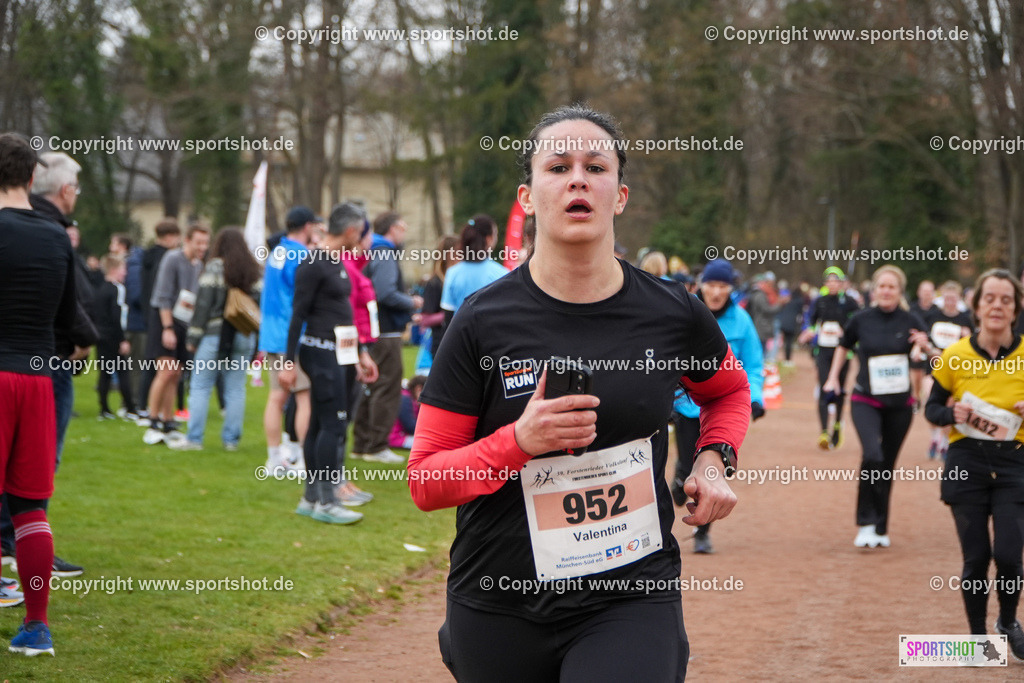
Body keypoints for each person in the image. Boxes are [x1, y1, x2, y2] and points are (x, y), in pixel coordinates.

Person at [408, 105, 750, 681]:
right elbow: (426, 480)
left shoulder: (673, 312)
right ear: (526, 197)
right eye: (558, 166)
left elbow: (729, 394)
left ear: (619, 195)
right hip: (500, 600)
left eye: (596, 166)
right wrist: (518, 441)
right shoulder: (479, 322)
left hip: (629, 596)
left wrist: (714, 459)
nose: (577, 179)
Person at [0, 132, 79, 656]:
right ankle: (36, 628)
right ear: (33, 177)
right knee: (31, 508)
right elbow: (70, 321)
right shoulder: (57, 237)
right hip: (39, 380)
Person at [925, 269, 1024, 658]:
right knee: (977, 557)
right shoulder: (955, 355)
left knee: (1009, 556)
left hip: (1015, 464)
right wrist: (954, 415)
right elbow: (932, 409)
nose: (997, 306)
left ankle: (1008, 622)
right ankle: (978, 638)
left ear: (1016, 309)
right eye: (990, 299)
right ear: (977, 306)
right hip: (966, 461)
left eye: (1006, 299)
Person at [823, 265, 935, 549]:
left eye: (892, 287)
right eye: (882, 286)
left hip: (900, 404)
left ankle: (881, 525)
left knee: (887, 464)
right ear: (874, 290)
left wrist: (927, 345)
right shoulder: (861, 319)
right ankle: (866, 522)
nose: (886, 291)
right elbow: (843, 346)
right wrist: (833, 378)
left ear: (899, 292)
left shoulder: (911, 320)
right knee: (872, 454)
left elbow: (935, 355)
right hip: (865, 399)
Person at [280, 203, 378, 524]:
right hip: (320, 352)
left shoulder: (336, 261)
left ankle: (311, 499)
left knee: (323, 424)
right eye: (361, 232)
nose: (363, 239)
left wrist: (361, 352)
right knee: (332, 424)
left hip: (340, 352)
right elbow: (297, 315)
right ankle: (326, 501)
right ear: (351, 231)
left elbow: (343, 315)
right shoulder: (314, 263)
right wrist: (287, 361)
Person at [671, 258, 764, 554]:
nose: (716, 291)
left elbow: (754, 363)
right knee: (688, 467)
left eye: (723, 285)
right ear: (701, 285)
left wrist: (756, 397)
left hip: (722, 410)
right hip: (688, 408)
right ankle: (679, 475)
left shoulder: (742, 321)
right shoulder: (684, 313)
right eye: (711, 284)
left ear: (731, 289)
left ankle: (702, 532)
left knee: (711, 472)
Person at [168, 228, 262, 451]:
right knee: (236, 389)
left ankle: (194, 438)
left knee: (201, 386)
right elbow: (259, 306)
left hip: (213, 335)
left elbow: (202, 306)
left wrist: (193, 337)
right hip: (243, 334)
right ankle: (231, 441)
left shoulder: (214, 267)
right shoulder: (254, 270)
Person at [352, 212, 422, 464]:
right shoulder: (384, 251)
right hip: (386, 331)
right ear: (393, 228)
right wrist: (412, 302)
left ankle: (361, 444)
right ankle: (376, 446)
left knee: (370, 385)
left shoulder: (372, 250)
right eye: (403, 227)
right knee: (387, 387)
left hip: (372, 330)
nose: (405, 233)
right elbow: (385, 292)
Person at [259, 207, 320, 472]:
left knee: (276, 397)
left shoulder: (276, 251)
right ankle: (307, 461)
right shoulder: (302, 255)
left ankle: (274, 458)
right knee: (304, 397)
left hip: (271, 334)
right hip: (292, 334)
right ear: (307, 226)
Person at [143, 224, 210, 445]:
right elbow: (162, 296)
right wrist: (167, 328)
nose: (202, 247)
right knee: (164, 372)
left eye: (205, 242)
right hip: (166, 319)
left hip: (185, 321)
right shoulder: (172, 259)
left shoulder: (199, 265)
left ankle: (168, 420)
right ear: (187, 240)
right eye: (198, 242)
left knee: (176, 374)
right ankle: (152, 420)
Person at [799, 267, 860, 450]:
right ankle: (824, 431)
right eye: (829, 281)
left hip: (843, 352)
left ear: (841, 284)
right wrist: (808, 332)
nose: (832, 284)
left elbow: (857, 321)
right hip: (824, 351)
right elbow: (811, 321)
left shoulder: (849, 302)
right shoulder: (820, 301)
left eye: (836, 281)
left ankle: (837, 426)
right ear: (825, 284)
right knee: (825, 386)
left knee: (839, 389)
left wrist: (848, 330)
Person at [135, 220, 181, 417]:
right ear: (170, 236)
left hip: (148, 314)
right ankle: (149, 409)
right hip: (161, 316)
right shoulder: (167, 259)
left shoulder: (147, 256)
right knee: (161, 369)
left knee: (154, 365)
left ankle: (146, 406)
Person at [923, 280, 973, 460]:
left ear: (958, 299)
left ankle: (944, 442)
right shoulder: (933, 316)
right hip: (933, 366)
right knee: (931, 400)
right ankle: (934, 438)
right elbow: (925, 340)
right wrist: (929, 350)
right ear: (942, 298)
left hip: (955, 369)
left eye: (953, 298)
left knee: (950, 405)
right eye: (947, 298)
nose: (950, 302)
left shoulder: (965, 319)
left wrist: (967, 336)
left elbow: (973, 345)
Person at [438, 215, 509, 328]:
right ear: (489, 239)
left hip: (460, 340)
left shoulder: (452, 273)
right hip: (492, 340)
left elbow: (448, 317)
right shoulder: (502, 274)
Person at [93, 254, 136, 420]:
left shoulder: (101, 288)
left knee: (104, 373)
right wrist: (122, 339)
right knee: (123, 371)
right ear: (114, 270)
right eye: (123, 269)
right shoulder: (118, 288)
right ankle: (130, 408)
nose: (125, 273)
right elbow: (117, 315)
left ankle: (104, 409)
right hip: (113, 336)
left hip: (101, 335)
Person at [418, 235, 460, 369]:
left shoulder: (458, 279)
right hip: (441, 343)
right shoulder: (434, 283)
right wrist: (451, 312)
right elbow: (425, 319)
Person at [910, 279, 938, 408]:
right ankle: (916, 396)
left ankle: (930, 398)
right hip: (915, 345)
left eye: (929, 292)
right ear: (919, 292)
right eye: (924, 291)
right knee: (916, 367)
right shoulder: (912, 309)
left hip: (933, 347)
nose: (927, 294)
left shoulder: (938, 311)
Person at [388, 375, 427, 450]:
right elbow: (410, 426)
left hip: (399, 436)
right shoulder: (405, 399)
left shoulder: (408, 398)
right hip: (396, 438)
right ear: (418, 389)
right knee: (429, 443)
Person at [776, 281, 808, 366]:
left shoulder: (788, 299)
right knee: (789, 342)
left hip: (784, 322)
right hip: (792, 323)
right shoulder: (800, 301)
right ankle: (787, 359)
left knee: (786, 341)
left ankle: (785, 359)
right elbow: (800, 313)